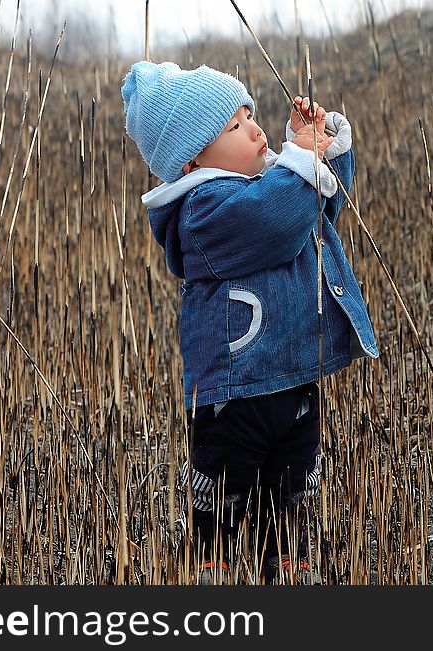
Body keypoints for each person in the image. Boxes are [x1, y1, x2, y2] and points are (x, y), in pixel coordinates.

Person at [121, 61, 379, 584]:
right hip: (234, 400)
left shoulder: (263, 189)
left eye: (250, 116)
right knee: (220, 507)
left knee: (290, 508)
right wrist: (301, 158)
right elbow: (278, 217)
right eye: (236, 125)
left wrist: (324, 151)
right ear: (192, 157)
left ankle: (286, 578)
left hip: (293, 384)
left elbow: (315, 213)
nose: (257, 130)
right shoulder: (204, 210)